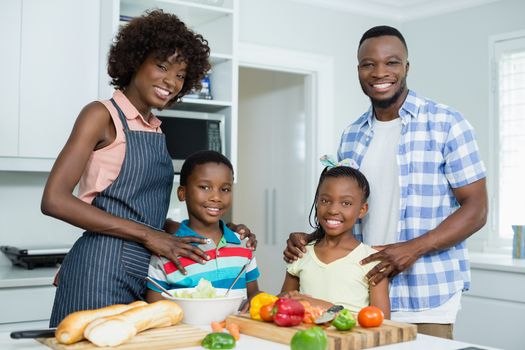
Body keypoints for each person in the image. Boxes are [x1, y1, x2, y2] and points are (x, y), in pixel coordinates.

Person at [41, 10, 254, 327]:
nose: (171, 81)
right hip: (100, 268)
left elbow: (141, 211)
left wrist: (216, 233)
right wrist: (150, 236)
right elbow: (54, 200)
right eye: (162, 66)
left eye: (181, 75)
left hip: (145, 270)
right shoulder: (101, 115)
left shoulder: (155, 128)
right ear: (135, 60)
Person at [283, 25, 488, 339]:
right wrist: (310, 238)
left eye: (391, 62)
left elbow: (477, 209)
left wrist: (412, 249)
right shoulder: (352, 135)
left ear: (406, 67)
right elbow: (349, 207)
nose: (380, 72)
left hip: (426, 294)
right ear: (359, 70)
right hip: (358, 298)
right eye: (369, 64)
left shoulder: (448, 124)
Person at [146, 150, 260, 306]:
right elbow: (156, 310)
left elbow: (253, 294)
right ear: (182, 193)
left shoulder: (243, 244)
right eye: (205, 187)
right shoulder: (167, 250)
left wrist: (257, 300)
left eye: (225, 189)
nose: (216, 197)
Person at [281, 159, 390, 318]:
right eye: (325, 200)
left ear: (362, 209)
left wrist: (322, 306)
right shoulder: (301, 253)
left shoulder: (372, 260)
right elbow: (283, 304)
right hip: (306, 340)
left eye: (346, 203)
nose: (333, 210)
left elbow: (383, 322)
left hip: (352, 343)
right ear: (317, 202)